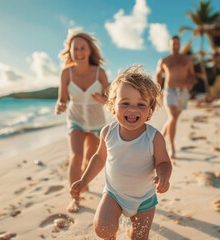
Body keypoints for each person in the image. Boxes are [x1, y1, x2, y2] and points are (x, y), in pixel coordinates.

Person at [71, 66, 172, 239]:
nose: (133, 109)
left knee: (139, 237)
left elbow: (164, 162)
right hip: (114, 194)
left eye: (141, 104)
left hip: (144, 200)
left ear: (150, 109)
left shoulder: (154, 137)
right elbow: (99, 158)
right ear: (112, 106)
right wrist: (84, 179)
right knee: (103, 229)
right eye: (125, 103)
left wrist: (163, 176)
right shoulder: (108, 132)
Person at [55, 32, 110, 213]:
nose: (79, 52)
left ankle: (83, 182)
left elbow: (110, 99)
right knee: (76, 156)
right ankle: (74, 198)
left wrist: (100, 98)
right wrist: (60, 105)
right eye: (75, 48)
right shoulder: (66, 73)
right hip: (75, 119)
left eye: (82, 48)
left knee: (89, 161)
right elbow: (62, 98)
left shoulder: (99, 73)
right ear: (70, 52)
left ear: (89, 51)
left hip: (96, 122)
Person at [155, 35, 195, 159]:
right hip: (169, 91)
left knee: (174, 119)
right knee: (173, 116)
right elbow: (158, 75)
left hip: (183, 92)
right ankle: (172, 148)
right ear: (169, 46)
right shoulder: (164, 60)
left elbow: (192, 75)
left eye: (177, 44)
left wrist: (189, 84)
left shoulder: (187, 59)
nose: (175, 46)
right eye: (173, 44)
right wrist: (158, 90)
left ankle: (160, 136)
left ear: (180, 45)